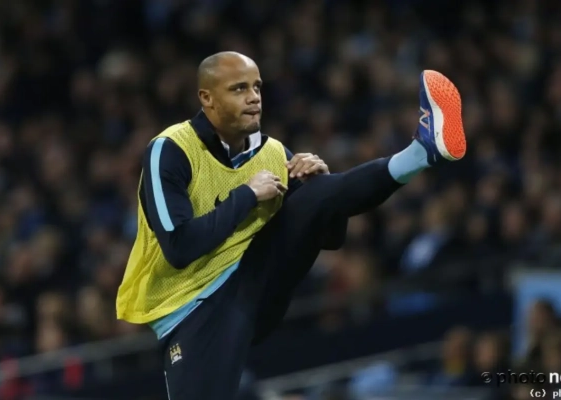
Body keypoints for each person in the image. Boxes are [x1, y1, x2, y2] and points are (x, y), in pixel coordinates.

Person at [116, 51, 466, 400]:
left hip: (256, 284)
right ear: (207, 98)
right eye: (239, 89)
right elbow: (179, 248)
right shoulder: (170, 149)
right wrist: (247, 195)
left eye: (257, 87)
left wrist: (325, 189)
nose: (254, 97)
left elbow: (330, 239)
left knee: (316, 191)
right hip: (190, 307)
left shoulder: (271, 152)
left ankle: (422, 151)